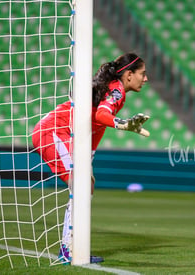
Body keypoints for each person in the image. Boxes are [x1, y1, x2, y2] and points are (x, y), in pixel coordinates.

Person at [32, 53, 150, 264]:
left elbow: (94, 125)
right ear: (129, 74)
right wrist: (125, 124)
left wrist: (89, 157)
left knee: (88, 185)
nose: (146, 78)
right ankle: (69, 249)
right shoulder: (116, 89)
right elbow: (101, 116)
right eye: (143, 73)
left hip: (63, 134)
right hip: (53, 132)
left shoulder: (113, 88)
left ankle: (74, 247)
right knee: (81, 184)